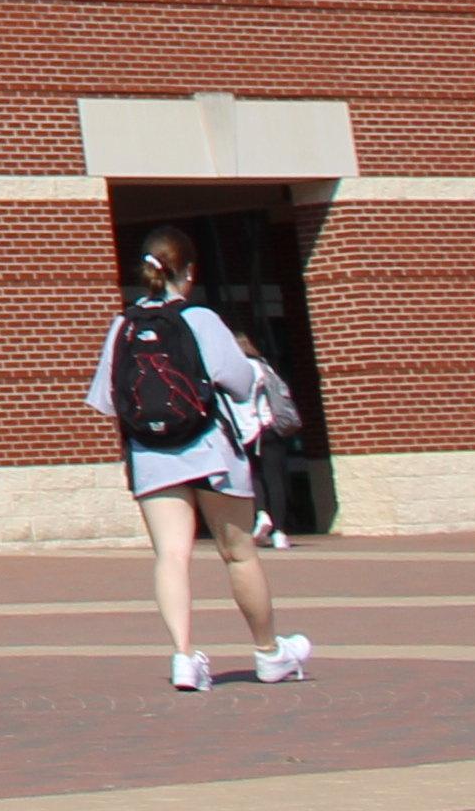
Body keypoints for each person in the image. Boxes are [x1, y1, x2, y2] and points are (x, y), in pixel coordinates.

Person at [88, 227, 309, 693]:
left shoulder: (122, 325)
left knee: (171, 556)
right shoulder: (200, 318)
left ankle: (183, 656)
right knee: (238, 553)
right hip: (211, 451)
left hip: (152, 456)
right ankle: (270, 653)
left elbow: (108, 399)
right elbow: (238, 381)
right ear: (187, 272)